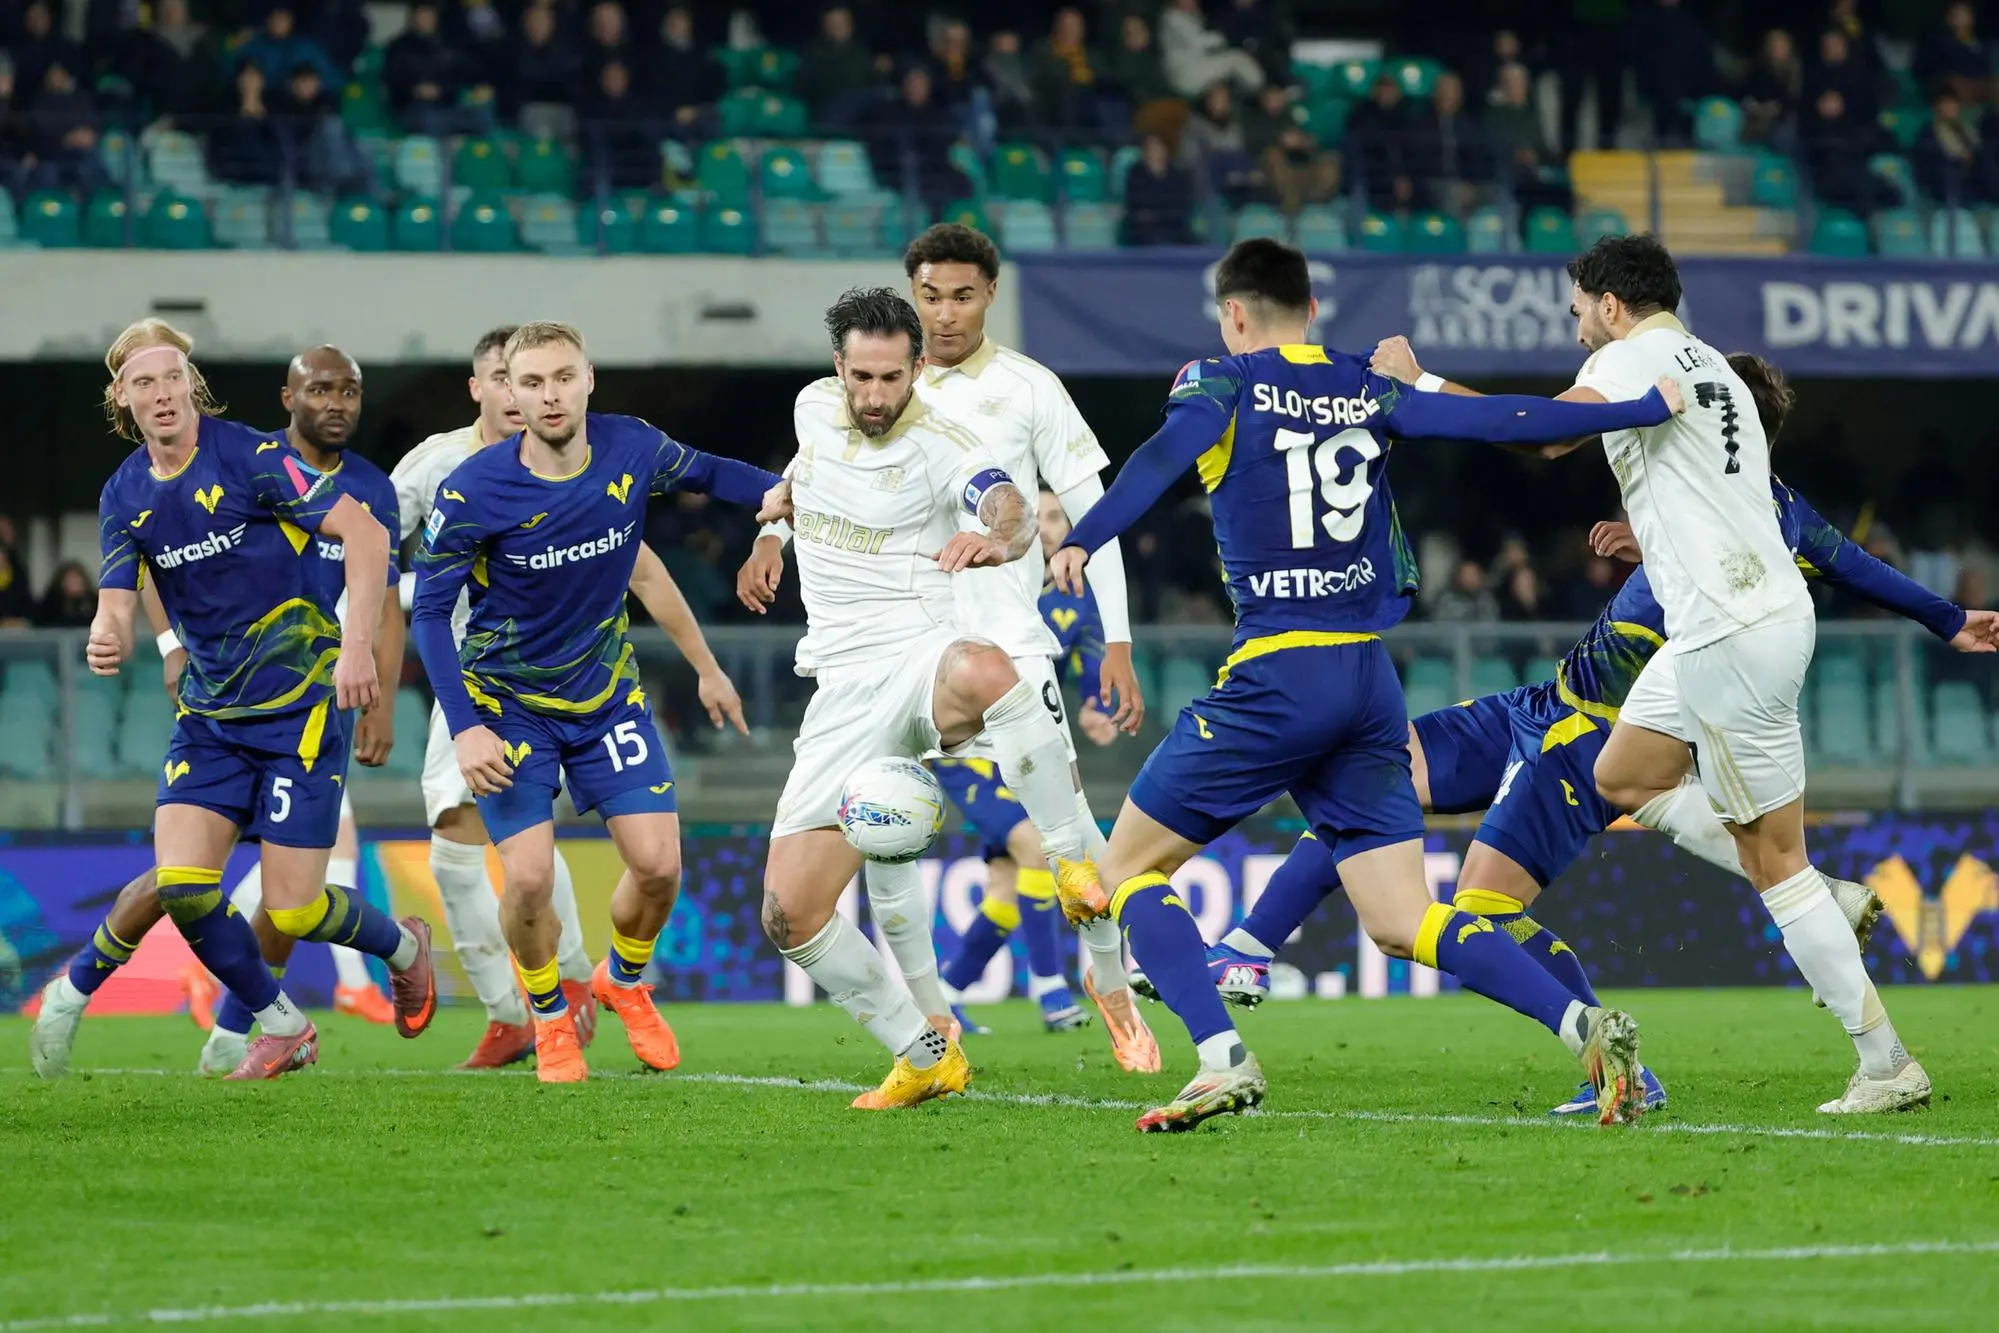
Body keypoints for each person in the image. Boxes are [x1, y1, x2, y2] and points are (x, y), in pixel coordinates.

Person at [1178, 350, 1998, 1116]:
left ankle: (1625, 1064)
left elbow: (1848, 563)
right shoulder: (1704, 509)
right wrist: (1949, 616)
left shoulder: (1768, 518)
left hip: (1581, 738)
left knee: (1482, 910)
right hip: (1537, 703)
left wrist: (1420, 380)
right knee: (1370, 773)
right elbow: (1846, 560)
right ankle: (1248, 945)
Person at [1047, 238, 1688, 1132]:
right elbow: (1505, 422)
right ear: (1312, 310)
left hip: (1277, 670)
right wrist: (1635, 406)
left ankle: (1219, 1057)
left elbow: (1157, 462)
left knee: (1124, 870)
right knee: (1400, 918)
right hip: (1365, 676)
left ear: (1233, 315)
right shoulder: (1366, 384)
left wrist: (1082, 534)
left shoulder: (1219, 383)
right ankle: (1580, 1023)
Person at [1416, 233, 1932, 1114]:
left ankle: (1882, 1057)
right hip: (1718, 627)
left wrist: (1419, 387)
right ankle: (1827, 902)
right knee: (1621, 772)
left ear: (1612, 304)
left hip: (1731, 633)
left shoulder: (1633, 356)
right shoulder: (1715, 368)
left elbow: (1537, 435)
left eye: (1578, 308)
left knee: (1778, 865)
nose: (1576, 327)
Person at [740, 226, 1158, 1075]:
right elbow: (809, 470)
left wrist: (1093, 618)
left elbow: (1039, 506)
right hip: (855, 674)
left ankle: (1111, 990)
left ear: (988, 295)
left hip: (985, 638)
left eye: (960, 295)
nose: (943, 312)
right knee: (838, 880)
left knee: (1067, 843)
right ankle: (929, 1034)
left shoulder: (1011, 400)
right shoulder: (826, 400)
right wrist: (772, 527)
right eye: (929, 295)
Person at [32, 320, 436, 1081]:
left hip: (302, 709)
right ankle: (282, 1024)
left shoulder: (252, 455)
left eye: (173, 377)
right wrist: (107, 633)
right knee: (183, 885)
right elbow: (119, 596)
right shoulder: (123, 492)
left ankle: (406, 946)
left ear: (193, 387)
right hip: (212, 718)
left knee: (294, 909)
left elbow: (366, 535)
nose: (161, 392)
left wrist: (357, 650)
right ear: (122, 399)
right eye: (143, 382)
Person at [410, 322, 777, 1084]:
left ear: (588, 380)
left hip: (606, 701)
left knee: (659, 867)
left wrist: (783, 497)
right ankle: (547, 1016)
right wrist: (468, 727)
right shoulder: (472, 488)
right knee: (533, 880)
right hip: (509, 709)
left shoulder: (630, 447)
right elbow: (426, 616)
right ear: (506, 389)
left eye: (562, 378)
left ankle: (624, 979)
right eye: (531, 382)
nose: (548, 395)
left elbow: (712, 472)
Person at [176, 348, 406, 1070]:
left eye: (348, 391)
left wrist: (382, 706)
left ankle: (233, 1022)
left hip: (317, 709)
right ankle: (243, 996)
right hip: (227, 707)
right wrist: (165, 645)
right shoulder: (245, 462)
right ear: (287, 396)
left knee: (292, 886)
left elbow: (388, 604)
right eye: (320, 389)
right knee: (219, 880)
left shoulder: (374, 490)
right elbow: (165, 547)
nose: (336, 403)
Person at [934, 488, 1120, 1036]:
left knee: (1007, 888)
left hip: (1028, 751)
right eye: (1035, 517)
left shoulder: (1075, 603)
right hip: (967, 753)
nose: (1045, 526)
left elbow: (1091, 671)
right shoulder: (974, 583)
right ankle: (1052, 989)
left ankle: (945, 996)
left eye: (1056, 517)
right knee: (1039, 851)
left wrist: (1095, 709)